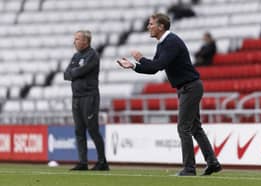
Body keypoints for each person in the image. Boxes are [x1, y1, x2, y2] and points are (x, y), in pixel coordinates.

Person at [116, 13, 221, 176]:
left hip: (190, 87)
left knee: (183, 127)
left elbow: (159, 64)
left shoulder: (171, 42)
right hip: (188, 87)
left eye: (151, 24)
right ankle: (212, 162)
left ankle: (189, 168)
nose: (148, 27)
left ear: (161, 26)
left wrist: (141, 58)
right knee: (194, 127)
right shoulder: (163, 43)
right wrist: (133, 66)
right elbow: (153, 69)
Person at [64, 30, 109, 171]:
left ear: (85, 41)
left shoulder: (92, 55)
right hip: (76, 97)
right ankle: (82, 162)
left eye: (77, 39)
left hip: (89, 97)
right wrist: (74, 72)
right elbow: (66, 74)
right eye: (75, 39)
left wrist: (74, 72)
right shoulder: (75, 56)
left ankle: (102, 162)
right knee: (79, 130)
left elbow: (81, 71)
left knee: (93, 129)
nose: (74, 41)